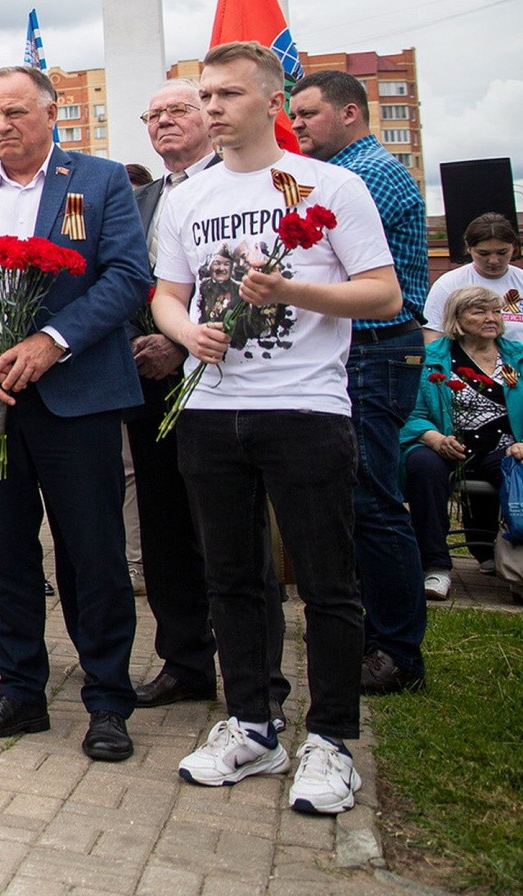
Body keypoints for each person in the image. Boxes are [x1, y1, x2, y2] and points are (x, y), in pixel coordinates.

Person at [155, 40, 401, 815]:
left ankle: (330, 741)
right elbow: (168, 291)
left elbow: (383, 295)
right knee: (230, 578)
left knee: (327, 583)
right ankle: (252, 723)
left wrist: (292, 288)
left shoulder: (328, 186)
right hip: (209, 409)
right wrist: (184, 332)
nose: (211, 108)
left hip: (303, 407)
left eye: (226, 94)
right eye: (204, 95)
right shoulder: (184, 198)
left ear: (269, 101)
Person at [0, 65, 147, 763]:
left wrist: (51, 342)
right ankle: (20, 690)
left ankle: (107, 699)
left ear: (51, 113)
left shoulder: (99, 181)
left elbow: (126, 276)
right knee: (5, 555)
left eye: (14, 112)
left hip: (74, 398)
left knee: (93, 554)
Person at [125, 79, 288, 712]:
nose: (163, 122)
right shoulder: (136, 199)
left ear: (210, 116)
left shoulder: (248, 186)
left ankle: (261, 682)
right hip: (148, 388)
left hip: (229, 381)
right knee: (165, 533)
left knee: (234, 540)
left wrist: (185, 343)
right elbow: (126, 280)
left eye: (178, 110)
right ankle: (185, 663)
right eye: (153, 113)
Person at [292, 68, 431, 696]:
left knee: (374, 499)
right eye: (292, 116)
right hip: (358, 349)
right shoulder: (344, 172)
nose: (295, 127)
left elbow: (310, 256)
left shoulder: (364, 175)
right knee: (352, 497)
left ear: (350, 113)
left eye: (307, 115)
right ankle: (368, 632)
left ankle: (397, 649)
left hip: (378, 348)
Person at [403, 286, 523, 599]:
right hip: (446, 443)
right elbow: (408, 412)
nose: (491, 318)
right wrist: (434, 438)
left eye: (496, 312)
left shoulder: (518, 358)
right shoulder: (432, 358)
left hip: (504, 448)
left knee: (519, 468)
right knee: (422, 465)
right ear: (457, 318)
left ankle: (517, 569)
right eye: (479, 312)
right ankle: (436, 567)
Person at [423, 214, 523, 336]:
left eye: (502, 252)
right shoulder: (448, 284)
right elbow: (432, 334)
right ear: (469, 248)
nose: (493, 260)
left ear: (514, 247)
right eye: (483, 253)